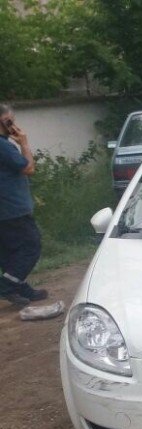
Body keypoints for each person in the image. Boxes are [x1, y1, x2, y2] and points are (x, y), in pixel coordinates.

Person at [0, 104, 47, 306]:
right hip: (12, 210)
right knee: (31, 246)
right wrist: (24, 143)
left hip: (5, 210)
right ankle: (5, 286)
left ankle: (20, 289)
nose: (14, 125)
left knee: (11, 253)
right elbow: (28, 168)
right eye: (10, 121)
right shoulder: (3, 146)